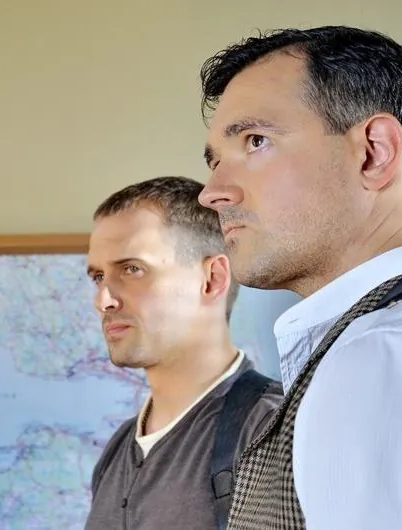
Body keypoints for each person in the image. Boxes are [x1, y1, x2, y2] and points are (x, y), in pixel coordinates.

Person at [197, 26, 402, 530]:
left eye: (256, 141)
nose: (212, 192)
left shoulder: (395, 352)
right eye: (215, 162)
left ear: (374, 152)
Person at [84, 176, 284, 530]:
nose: (104, 300)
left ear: (212, 278)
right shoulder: (116, 452)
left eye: (132, 269)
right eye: (98, 276)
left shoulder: (272, 431)